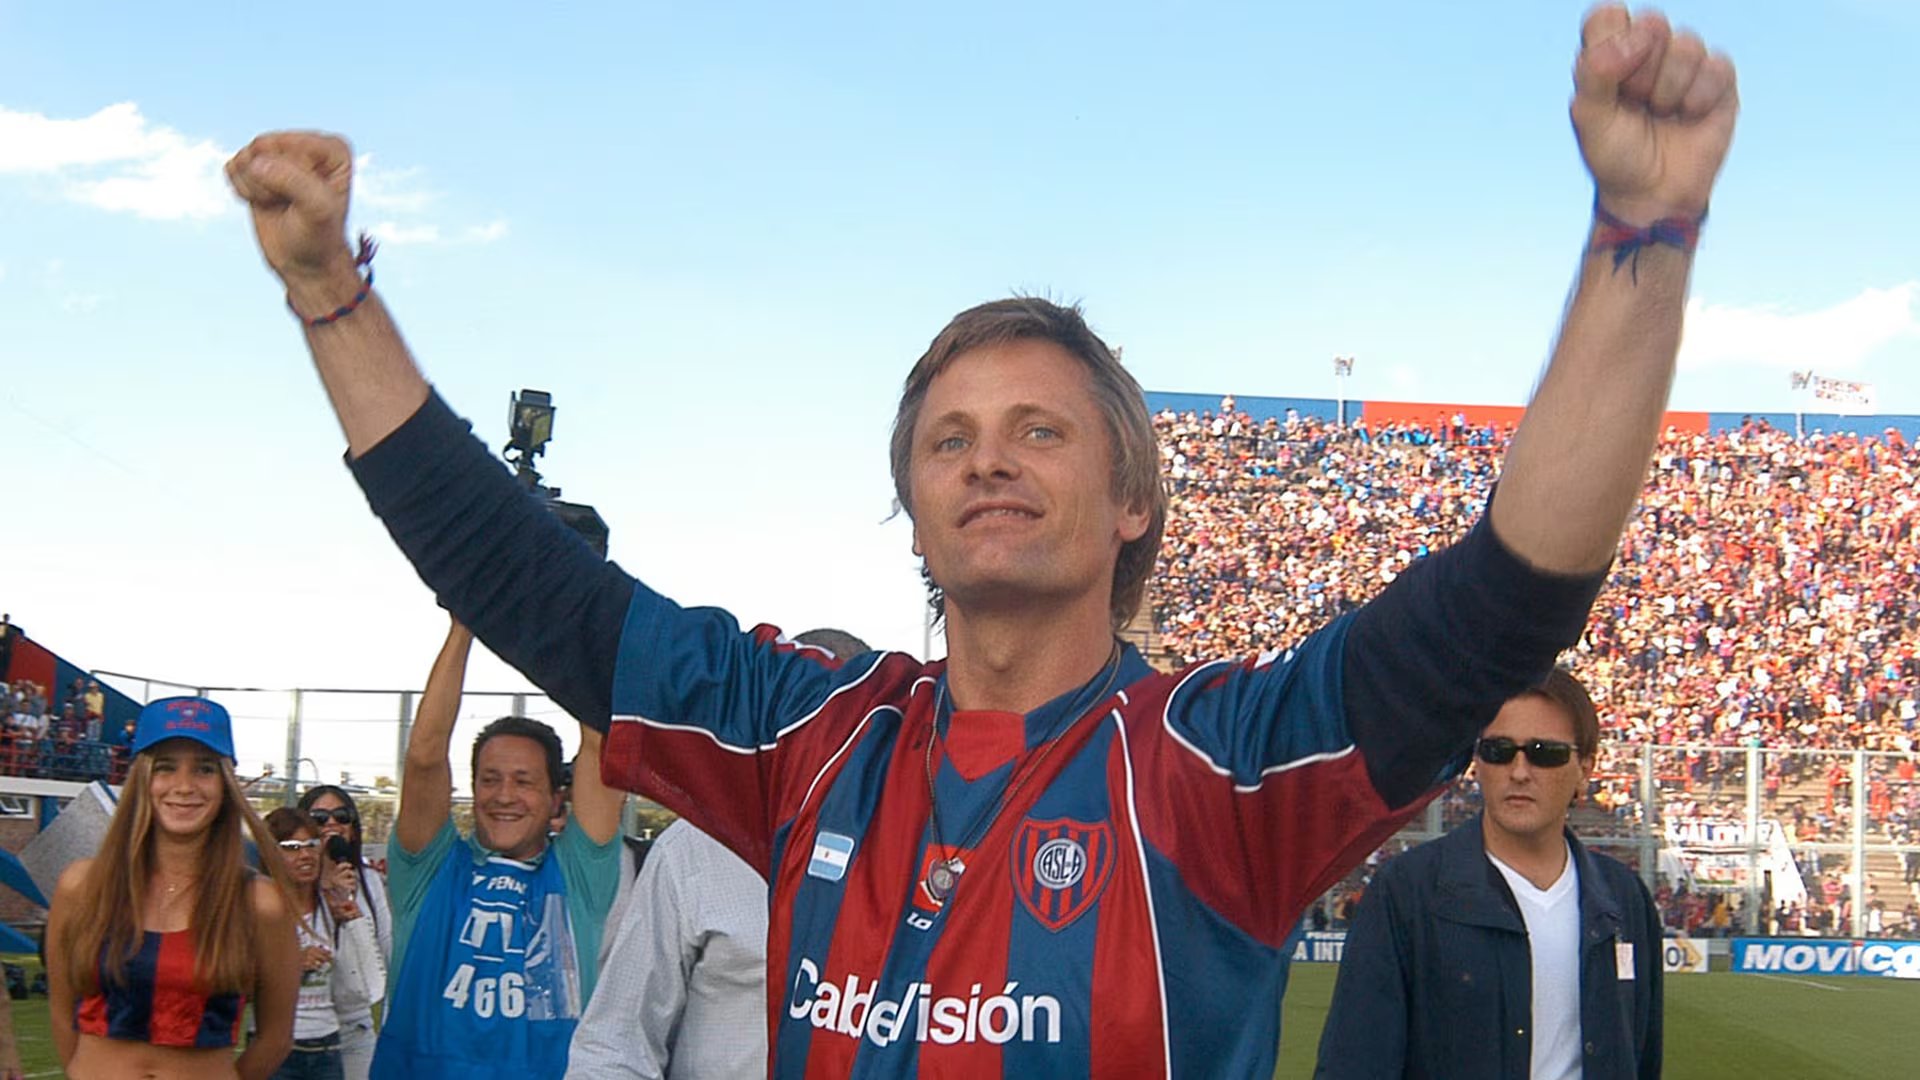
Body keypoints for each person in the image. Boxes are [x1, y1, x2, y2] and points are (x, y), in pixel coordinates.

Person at [227, 7, 1735, 1074]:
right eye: (947, 438)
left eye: (1040, 429)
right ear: (916, 513)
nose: (988, 459)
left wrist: (1643, 240)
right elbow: (521, 580)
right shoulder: (813, 736)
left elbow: (1501, 603)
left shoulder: (1219, 768)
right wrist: (329, 298)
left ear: (1134, 500)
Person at [1314, 670, 1663, 1079]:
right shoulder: (1408, 892)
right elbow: (1354, 1061)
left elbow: (1643, 1056)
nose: (1518, 771)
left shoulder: (1624, 899)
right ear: (1476, 762)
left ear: (1584, 770)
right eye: (1499, 750)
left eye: (1544, 753)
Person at [568, 628, 869, 1080]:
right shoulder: (692, 853)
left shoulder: (922, 859)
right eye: (811, 719)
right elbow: (615, 1043)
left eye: (851, 723)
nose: (828, 743)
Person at [368, 617, 623, 1079]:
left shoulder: (579, 876)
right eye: (490, 780)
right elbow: (425, 754)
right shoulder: (430, 868)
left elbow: (598, 742)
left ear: (554, 800)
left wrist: (579, 608)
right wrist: (464, 623)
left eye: (524, 782)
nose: (504, 796)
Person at [45, 696, 300, 1079]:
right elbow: (62, 1015)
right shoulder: (82, 886)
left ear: (226, 782)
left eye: (203, 769)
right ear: (142, 779)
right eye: (166, 768)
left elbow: (275, 1039)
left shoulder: (260, 903)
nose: (184, 786)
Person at [261, 808, 384, 1080]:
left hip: (328, 1045)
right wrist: (294, 961)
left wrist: (350, 926)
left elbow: (369, 981)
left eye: (312, 845)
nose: (305, 855)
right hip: (279, 1047)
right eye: (292, 847)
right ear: (269, 852)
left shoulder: (332, 906)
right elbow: (240, 979)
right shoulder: (261, 908)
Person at [296, 785, 393, 1079]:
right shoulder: (287, 884)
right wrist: (323, 890)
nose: (332, 824)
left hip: (355, 1029)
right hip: (298, 1033)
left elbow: (385, 950)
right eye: (319, 817)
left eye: (341, 816)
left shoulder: (369, 882)